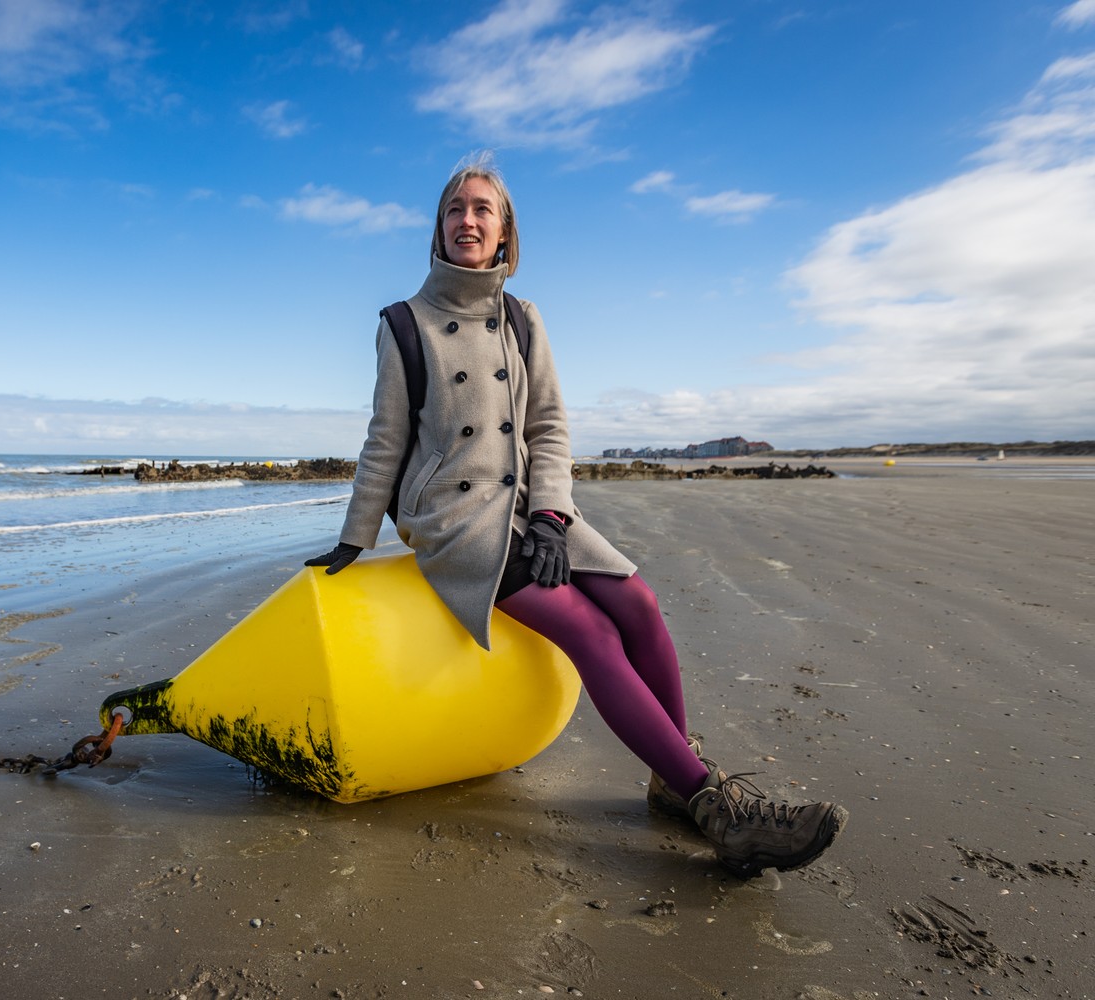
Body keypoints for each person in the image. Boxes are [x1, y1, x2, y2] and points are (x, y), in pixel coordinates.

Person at [306, 156, 847, 879]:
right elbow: (385, 437)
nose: (467, 220)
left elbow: (550, 430)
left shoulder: (524, 320)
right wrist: (354, 536)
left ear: (505, 234)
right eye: (454, 209)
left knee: (641, 602)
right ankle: (717, 806)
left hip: (532, 507)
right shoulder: (404, 324)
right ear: (438, 228)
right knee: (591, 631)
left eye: (482, 210)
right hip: (456, 520)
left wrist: (554, 518)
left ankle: (671, 779)